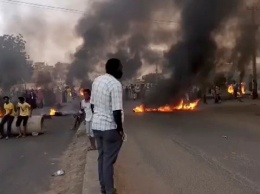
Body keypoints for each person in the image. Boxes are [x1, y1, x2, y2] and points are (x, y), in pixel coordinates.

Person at [91, 58, 124, 194]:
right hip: (109, 128)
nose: (122, 70)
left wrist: (98, 116)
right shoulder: (115, 84)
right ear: (116, 68)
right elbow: (116, 111)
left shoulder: (97, 81)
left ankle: (104, 188)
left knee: (102, 157)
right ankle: (109, 191)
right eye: (121, 67)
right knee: (108, 160)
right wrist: (120, 129)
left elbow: (92, 105)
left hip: (96, 126)